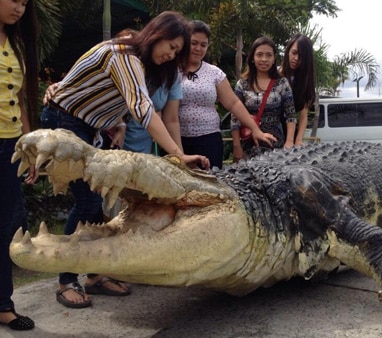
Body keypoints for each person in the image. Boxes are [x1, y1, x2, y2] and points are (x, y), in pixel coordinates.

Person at [39, 11, 209, 309]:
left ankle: (93, 274)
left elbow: (118, 100)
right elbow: (143, 109)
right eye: (171, 46)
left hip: (89, 127)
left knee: (99, 199)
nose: (172, 55)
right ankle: (66, 279)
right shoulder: (124, 53)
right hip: (64, 120)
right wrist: (178, 154)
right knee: (87, 203)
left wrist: (116, 123)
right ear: (157, 34)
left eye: (177, 52)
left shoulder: (141, 63)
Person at [178, 20, 275, 169]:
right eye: (194, 43)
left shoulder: (214, 73)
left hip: (208, 140)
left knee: (211, 187)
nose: (198, 49)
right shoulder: (171, 71)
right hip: (177, 141)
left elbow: (234, 103)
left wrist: (256, 130)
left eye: (203, 45)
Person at [0, 0, 38, 330]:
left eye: (24, 4)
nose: (19, 9)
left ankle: (3, 305)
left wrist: (28, 148)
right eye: (14, 0)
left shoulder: (16, 45)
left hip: (9, 147)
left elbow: (22, 101)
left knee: (7, 226)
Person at [231, 36, 297, 161]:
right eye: (259, 55)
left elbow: (291, 115)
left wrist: (289, 142)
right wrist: (236, 146)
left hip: (275, 144)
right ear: (252, 58)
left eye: (269, 55)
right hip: (249, 143)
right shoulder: (242, 84)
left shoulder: (282, 83)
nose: (264, 59)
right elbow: (235, 118)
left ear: (274, 59)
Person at [279, 33, 316, 146]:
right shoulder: (275, 76)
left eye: (301, 56)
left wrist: (298, 140)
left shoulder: (304, 82)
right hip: (272, 132)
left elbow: (303, 116)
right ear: (288, 50)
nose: (296, 58)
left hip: (290, 135)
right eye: (294, 53)